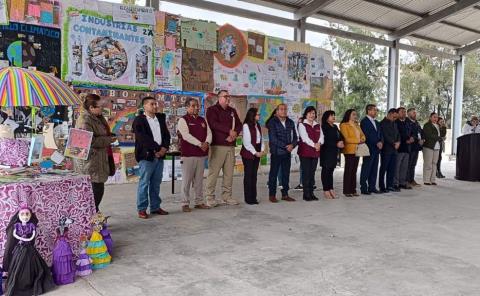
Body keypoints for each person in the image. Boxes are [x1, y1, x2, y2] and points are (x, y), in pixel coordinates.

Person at [74, 94, 116, 212]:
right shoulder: (84, 120)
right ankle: (92, 219)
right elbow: (89, 141)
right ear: (91, 108)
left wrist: (109, 136)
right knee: (95, 191)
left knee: (97, 190)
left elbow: (100, 134)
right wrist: (109, 140)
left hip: (99, 158)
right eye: (100, 106)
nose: (102, 108)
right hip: (91, 161)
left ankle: (94, 217)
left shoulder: (97, 117)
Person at [133, 96, 171, 219]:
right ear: (144, 106)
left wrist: (164, 148)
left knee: (156, 183)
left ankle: (155, 207)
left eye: (156, 104)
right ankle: (142, 209)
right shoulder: (139, 120)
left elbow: (166, 134)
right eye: (152, 104)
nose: (155, 106)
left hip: (160, 155)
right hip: (147, 156)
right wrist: (155, 149)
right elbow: (142, 138)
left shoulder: (160, 118)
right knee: (144, 183)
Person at [205, 90, 242, 207]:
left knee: (229, 173)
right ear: (219, 97)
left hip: (230, 146)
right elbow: (213, 124)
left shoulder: (232, 110)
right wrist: (228, 131)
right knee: (214, 173)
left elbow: (239, 124)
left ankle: (227, 196)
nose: (228, 98)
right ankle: (210, 197)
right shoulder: (212, 110)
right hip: (217, 145)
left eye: (229, 96)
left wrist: (235, 133)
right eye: (225, 96)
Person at [177, 98, 212, 212]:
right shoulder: (183, 120)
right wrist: (199, 143)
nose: (196, 107)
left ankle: (199, 202)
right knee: (186, 180)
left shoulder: (203, 120)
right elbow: (185, 135)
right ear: (187, 107)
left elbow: (209, 133)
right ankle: (185, 203)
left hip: (201, 155)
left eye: (197, 106)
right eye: (193, 105)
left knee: (199, 180)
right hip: (188, 155)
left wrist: (207, 143)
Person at [267, 103, 298, 203]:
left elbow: (296, 137)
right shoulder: (272, 122)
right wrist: (286, 146)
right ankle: (272, 195)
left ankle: (285, 194)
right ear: (277, 111)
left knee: (286, 174)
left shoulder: (290, 122)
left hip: (287, 153)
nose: (283, 111)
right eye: (281, 109)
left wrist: (292, 145)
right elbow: (273, 139)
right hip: (276, 152)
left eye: (285, 109)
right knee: (273, 174)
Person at [298, 106, 323, 201]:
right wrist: (315, 145)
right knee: (306, 173)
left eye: (313, 113)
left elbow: (322, 136)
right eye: (310, 113)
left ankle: (311, 193)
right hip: (305, 152)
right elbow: (305, 138)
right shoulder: (302, 125)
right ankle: (306, 194)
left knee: (312, 173)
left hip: (315, 152)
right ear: (306, 114)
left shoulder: (317, 125)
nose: (312, 115)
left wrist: (319, 143)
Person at [241, 108, 265, 205]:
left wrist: (262, 149)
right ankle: (248, 198)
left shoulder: (257, 125)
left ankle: (253, 197)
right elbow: (247, 143)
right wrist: (255, 152)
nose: (259, 116)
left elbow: (261, 139)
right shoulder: (246, 126)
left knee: (254, 176)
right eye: (258, 114)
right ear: (252, 115)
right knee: (249, 175)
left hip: (257, 151)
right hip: (249, 153)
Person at [340, 109, 366, 197]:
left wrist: (362, 139)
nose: (355, 116)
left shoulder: (357, 125)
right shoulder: (344, 125)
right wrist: (358, 140)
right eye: (353, 114)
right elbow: (346, 138)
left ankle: (353, 190)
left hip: (357, 150)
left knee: (354, 171)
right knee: (348, 170)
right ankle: (347, 191)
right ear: (348, 115)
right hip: (349, 150)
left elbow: (363, 135)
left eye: (356, 114)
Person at [360, 104, 383, 195]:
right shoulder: (364, 121)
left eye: (376, 110)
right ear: (369, 111)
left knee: (374, 168)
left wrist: (381, 141)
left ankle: (372, 187)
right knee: (366, 168)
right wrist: (376, 142)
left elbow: (380, 134)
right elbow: (367, 135)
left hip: (377, 149)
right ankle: (364, 188)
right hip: (369, 148)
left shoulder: (377, 122)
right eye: (374, 110)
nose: (376, 112)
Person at [320, 110, 344, 199]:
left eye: (334, 115)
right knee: (326, 171)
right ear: (326, 118)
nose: (333, 117)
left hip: (334, 152)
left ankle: (331, 189)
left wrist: (341, 142)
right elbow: (324, 141)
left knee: (330, 171)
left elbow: (340, 136)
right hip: (326, 152)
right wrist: (336, 144)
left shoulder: (335, 127)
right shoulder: (324, 127)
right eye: (331, 115)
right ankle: (326, 190)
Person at [378, 108, 400, 193]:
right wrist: (394, 143)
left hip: (394, 149)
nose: (395, 119)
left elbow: (398, 134)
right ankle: (382, 186)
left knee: (392, 168)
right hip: (386, 149)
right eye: (394, 117)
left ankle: (389, 185)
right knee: (384, 168)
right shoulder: (382, 123)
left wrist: (398, 142)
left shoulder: (394, 123)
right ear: (390, 114)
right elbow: (385, 136)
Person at [394, 107, 414, 190]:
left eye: (405, 112)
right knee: (397, 166)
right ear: (398, 113)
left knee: (404, 167)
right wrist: (406, 140)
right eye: (402, 112)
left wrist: (412, 137)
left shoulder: (407, 122)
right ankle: (395, 183)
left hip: (407, 148)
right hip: (399, 148)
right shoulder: (395, 122)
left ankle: (402, 182)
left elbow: (412, 131)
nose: (404, 113)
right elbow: (397, 134)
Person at [406, 108, 424, 187]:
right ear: (408, 114)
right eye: (413, 113)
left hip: (416, 147)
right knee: (408, 164)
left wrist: (422, 139)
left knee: (413, 164)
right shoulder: (407, 122)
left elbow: (420, 132)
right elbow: (408, 134)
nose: (415, 114)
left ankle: (412, 179)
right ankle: (406, 180)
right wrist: (416, 138)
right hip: (410, 146)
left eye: (415, 113)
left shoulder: (417, 123)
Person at [423, 112, 442, 185]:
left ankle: (433, 180)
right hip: (429, 146)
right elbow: (429, 135)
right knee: (428, 164)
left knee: (434, 163)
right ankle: (426, 180)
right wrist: (439, 138)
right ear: (430, 117)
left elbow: (441, 134)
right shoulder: (427, 125)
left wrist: (442, 127)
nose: (435, 118)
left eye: (437, 117)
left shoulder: (437, 125)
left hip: (437, 147)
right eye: (434, 117)